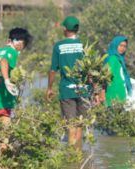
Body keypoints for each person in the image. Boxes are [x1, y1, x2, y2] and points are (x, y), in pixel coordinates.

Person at [46, 16, 89, 149]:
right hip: (84, 89)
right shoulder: (84, 44)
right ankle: (79, 156)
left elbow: (53, 70)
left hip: (67, 90)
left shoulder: (59, 46)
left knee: (70, 125)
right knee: (80, 124)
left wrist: (49, 88)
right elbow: (91, 68)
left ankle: (71, 160)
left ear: (65, 29)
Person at [0, 28, 31, 124]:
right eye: (23, 45)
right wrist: (7, 81)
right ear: (20, 42)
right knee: (5, 136)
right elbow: (3, 61)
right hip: (3, 102)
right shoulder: (12, 52)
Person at [105, 35, 132, 106]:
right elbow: (107, 76)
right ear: (115, 45)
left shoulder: (119, 59)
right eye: (120, 45)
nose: (122, 48)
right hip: (113, 94)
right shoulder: (113, 59)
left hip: (120, 93)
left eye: (124, 46)